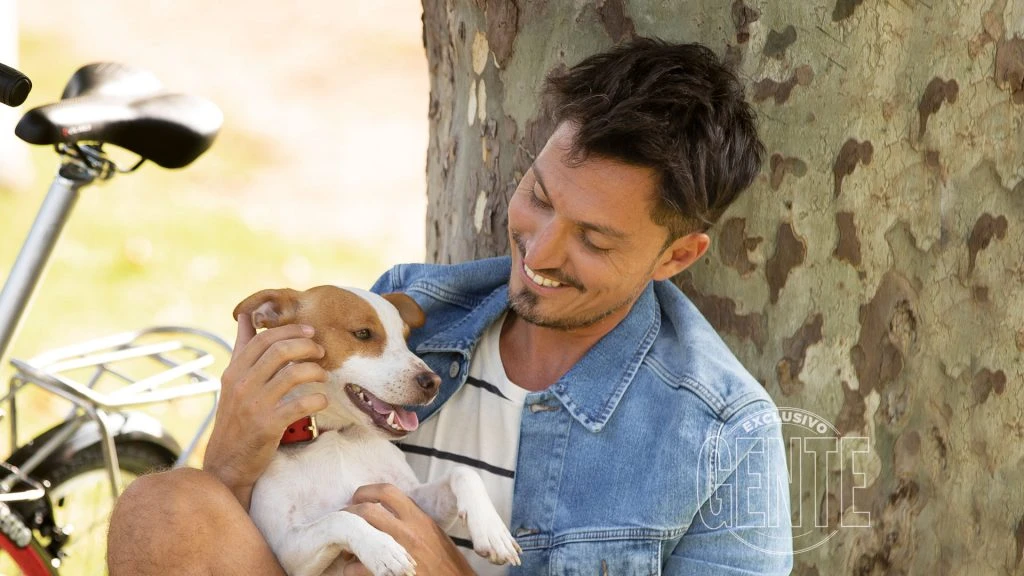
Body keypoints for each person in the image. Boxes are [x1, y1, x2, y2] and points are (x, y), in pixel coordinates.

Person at [107, 37, 793, 575]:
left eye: (593, 238)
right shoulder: (410, 314)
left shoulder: (723, 438)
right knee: (161, 507)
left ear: (676, 256)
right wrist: (235, 450)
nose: (542, 251)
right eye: (542, 199)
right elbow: (220, 540)